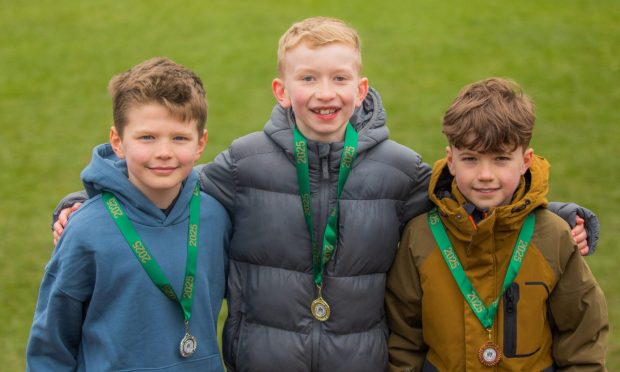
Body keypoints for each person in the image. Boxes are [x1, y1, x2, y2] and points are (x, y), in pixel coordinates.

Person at [50, 18, 598, 371]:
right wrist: (88, 201)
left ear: (360, 89)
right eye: (307, 79)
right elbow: (167, 182)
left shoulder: (401, 169)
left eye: (339, 79)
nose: (323, 93)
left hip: (360, 361)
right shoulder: (243, 162)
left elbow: (470, 199)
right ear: (282, 91)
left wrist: (554, 212)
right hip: (264, 361)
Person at [385, 77, 608, 371]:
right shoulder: (421, 237)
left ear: (526, 161)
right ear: (450, 161)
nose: (485, 174)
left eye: (501, 158)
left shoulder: (553, 236)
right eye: (471, 159)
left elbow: (582, 336)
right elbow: (403, 338)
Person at [27, 57, 231, 371]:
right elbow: (50, 344)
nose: (164, 152)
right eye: (147, 137)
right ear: (117, 142)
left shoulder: (216, 216)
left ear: (201, 142)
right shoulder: (84, 230)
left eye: (179, 138)